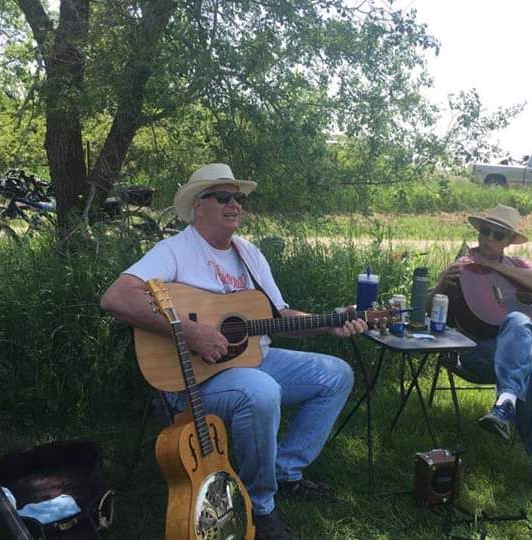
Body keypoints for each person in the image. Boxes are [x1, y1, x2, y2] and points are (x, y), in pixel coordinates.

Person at [101, 163, 368, 539]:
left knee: (336, 374)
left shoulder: (249, 254)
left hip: (255, 359)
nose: (235, 204)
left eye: (238, 198)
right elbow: (115, 298)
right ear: (198, 205)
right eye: (223, 197)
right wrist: (192, 332)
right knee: (261, 392)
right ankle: (261, 506)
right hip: (192, 379)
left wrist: (330, 322)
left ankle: (284, 471)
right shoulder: (175, 251)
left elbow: (278, 317)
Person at [427, 204, 532, 503]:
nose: (489, 238)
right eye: (485, 231)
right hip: (477, 351)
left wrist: (498, 267)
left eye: (498, 235)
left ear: (508, 241)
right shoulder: (462, 267)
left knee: (517, 321)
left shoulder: (518, 264)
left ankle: (505, 404)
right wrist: (440, 285)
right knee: (523, 365)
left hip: (520, 342)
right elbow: (426, 311)